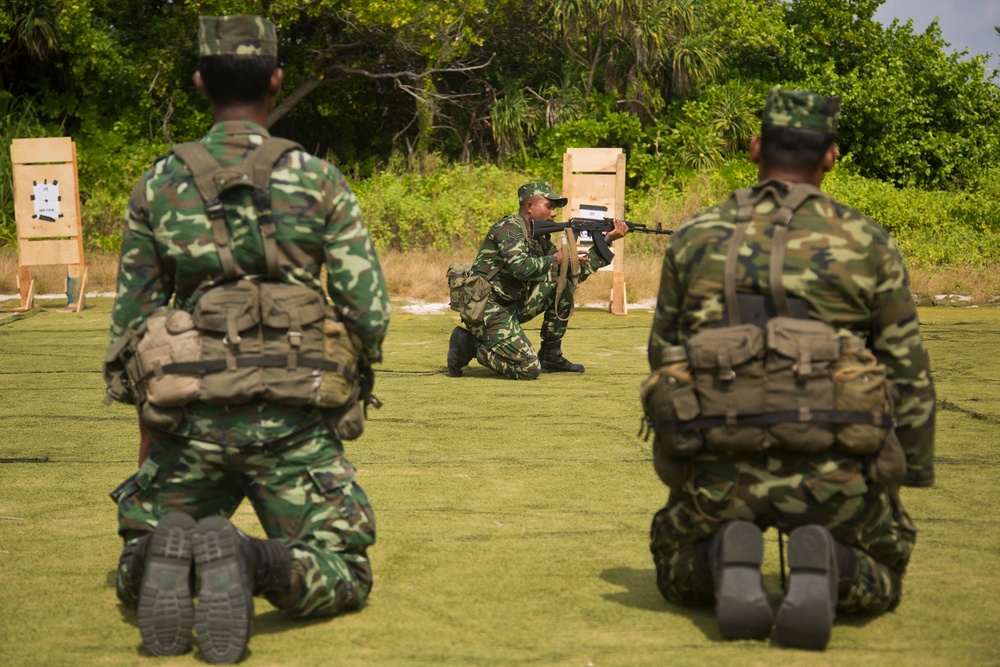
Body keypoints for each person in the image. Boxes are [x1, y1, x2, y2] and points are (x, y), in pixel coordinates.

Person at [102, 15, 390, 663]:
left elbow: (132, 327)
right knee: (344, 566)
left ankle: (161, 552)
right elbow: (368, 312)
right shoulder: (319, 180)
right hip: (291, 419)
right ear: (276, 80)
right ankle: (248, 556)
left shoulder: (157, 184)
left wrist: (155, 432)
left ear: (201, 81)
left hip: (192, 420)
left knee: (135, 559)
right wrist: (341, 385)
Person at [643, 88, 935, 650]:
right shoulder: (867, 241)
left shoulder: (694, 236)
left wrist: (683, 459)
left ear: (755, 147)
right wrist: (907, 473)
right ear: (830, 156)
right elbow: (907, 371)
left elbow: (666, 356)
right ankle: (832, 561)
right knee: (885, 571)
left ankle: (725, 554)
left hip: (720, 469)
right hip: (837, 472)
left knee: (674, 568)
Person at [447, 182, 629, 379]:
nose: (553, 213)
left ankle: (551, 354)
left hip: (511, 305)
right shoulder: (508, 228)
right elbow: (520, 268)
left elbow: (573, 273)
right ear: (529, 206)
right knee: (528, 368)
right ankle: (468, 344)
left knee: (563, 281)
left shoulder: (538, 239)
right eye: (549, 206)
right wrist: (556, 258)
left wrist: (607, 240)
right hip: (486, 309)